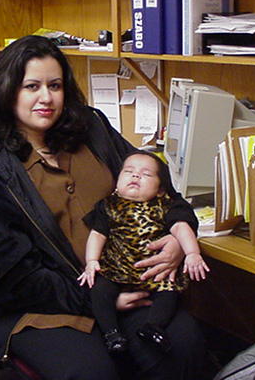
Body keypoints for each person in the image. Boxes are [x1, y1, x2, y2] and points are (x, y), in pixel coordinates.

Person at [0, 35, 206, 380]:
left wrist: (181, 237)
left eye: (55, 85)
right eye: (31, 86)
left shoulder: (92, 129)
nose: (46, 98)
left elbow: (162, 187)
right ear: (7, 91)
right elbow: (9, 282)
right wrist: (97, 300)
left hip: (125, 283)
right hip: (44, 308)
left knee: (182, 347)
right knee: (94, 372)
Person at [79, 151, 209, 355]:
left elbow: (181, 227)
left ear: (160, 189)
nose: (136, 175)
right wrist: (91, 261)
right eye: (128, 171)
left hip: (156, 271)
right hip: (116, 269)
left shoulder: (165, 206)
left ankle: (153, 326)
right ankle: (112, 334)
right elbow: (97, 234)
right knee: (99, 290)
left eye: (146, 174)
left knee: (169, 291)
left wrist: (192, 252)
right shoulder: (108, 206)